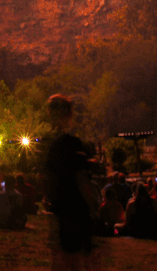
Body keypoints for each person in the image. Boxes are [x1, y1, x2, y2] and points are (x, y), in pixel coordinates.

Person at [44, 94, 96, 271]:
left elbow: (47, 178)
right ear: (69, 114)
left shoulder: (48, 145)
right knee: (77, 260)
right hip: (75, 209)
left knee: (60, 259)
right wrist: (92, 206)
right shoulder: (72, 143)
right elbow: (81, 178)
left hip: (59, 208)